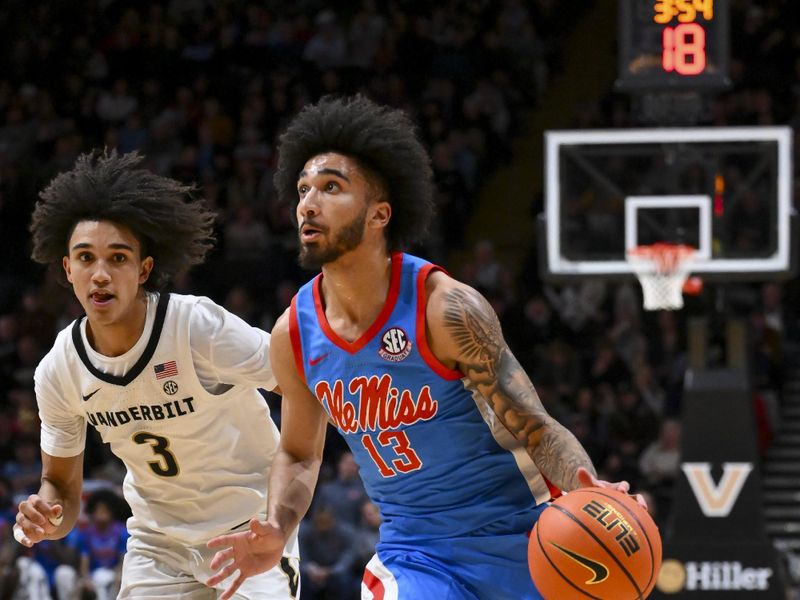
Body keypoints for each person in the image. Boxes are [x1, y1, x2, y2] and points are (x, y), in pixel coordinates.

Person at [206, 96, 642, 599]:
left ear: (379, 214)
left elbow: (533, 425)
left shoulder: (446, 309)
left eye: (331, 187)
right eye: (303, 189)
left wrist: (590, 489)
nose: (308, 202)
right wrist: (278, 528)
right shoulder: (294, 335)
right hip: (418, 554)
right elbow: (300, 453)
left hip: (526, 536)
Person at [14, 151, 299, 599]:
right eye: (85, 258)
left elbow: (302, 385)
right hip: (158, 544)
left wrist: (286, 511)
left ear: (144, 269)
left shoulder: (196, 328)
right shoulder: (59, 371)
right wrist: (47, 513)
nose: (101, 274)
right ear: (68, 269)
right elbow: (62, 488)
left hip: (248, 533)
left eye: (118, 258)